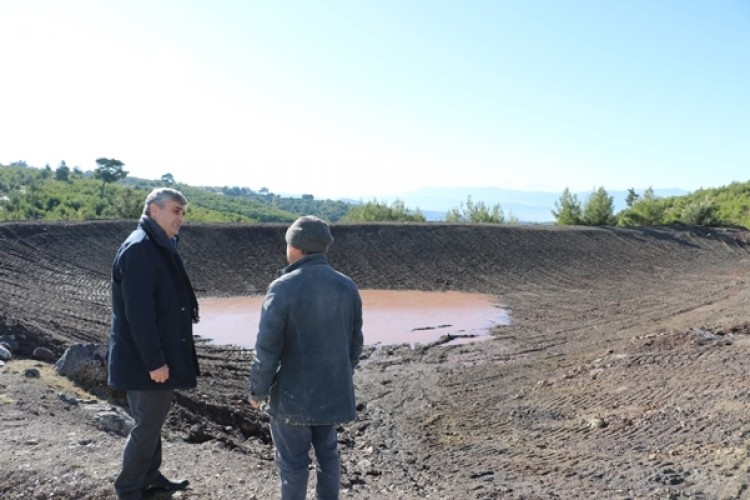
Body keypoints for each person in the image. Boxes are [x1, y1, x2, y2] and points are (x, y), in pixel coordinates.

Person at [250, 215, 364, 500]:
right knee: (329, 456)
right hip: (332, 392)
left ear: (296, 246)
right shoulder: (347, 286)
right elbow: (355, 343)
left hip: (293, 396)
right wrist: (339, 375)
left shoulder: (283, 287)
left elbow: (267, 347)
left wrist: (258, 390)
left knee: (293, 464)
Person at [107, 187, 201, 500]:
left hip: (150, 357)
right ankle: (129, 489)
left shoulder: (157, 245)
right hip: (143, 361)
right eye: (175, 210)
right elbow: (139, 315)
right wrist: (155, 362)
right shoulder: (140, 248)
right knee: (147, 425)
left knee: (152, 420)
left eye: (182, 212)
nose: (180, 218)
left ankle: (150, 477)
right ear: (153, 210)